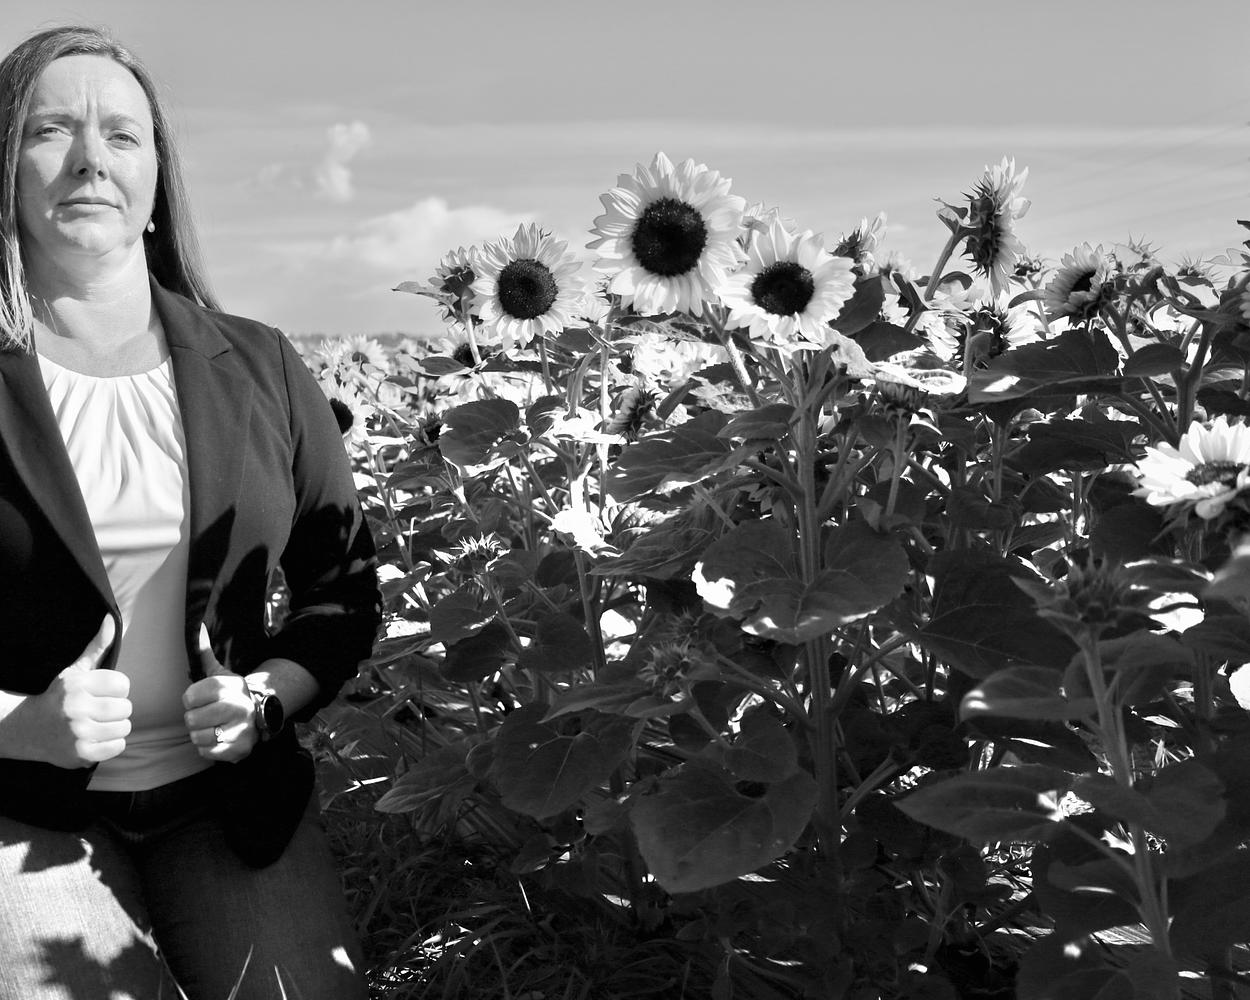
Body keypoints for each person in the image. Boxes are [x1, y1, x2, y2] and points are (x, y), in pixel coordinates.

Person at [0, 25, 381, 1000]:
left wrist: (268, 697)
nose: (91, 159)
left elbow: (340, 590)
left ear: (158, 177)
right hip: (19, 804)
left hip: (226, 802)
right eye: (51, 129)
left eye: (122, 135)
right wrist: (15, 724)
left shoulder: (261, 365)